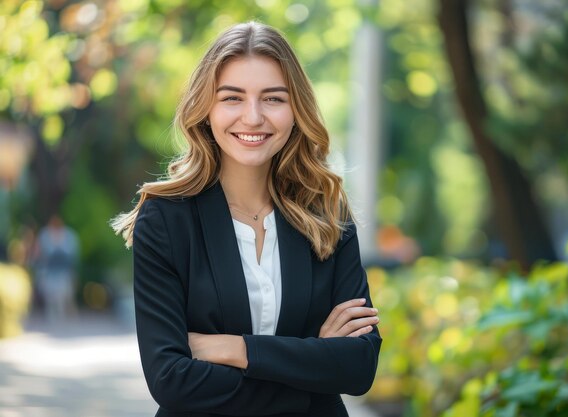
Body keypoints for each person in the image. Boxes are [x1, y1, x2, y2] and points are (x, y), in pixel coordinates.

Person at [111, 21, 381, 417]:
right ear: (206, 108)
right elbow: (171, 381)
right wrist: (311, 371)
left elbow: (358, 367)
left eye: (273, 99)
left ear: (296, 110)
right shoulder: (166, 219)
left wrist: (234, 348)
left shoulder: (325, 213)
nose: (253, 117)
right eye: (232, 98)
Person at [35, 215, 79, 322]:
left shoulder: (69, 235)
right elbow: (39, 253)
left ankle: (62, 318)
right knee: (50, 297)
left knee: (63, 296)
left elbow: (73, 255)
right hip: (49, 271)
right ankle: (52, 318)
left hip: (64, 271)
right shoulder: (44, 235)